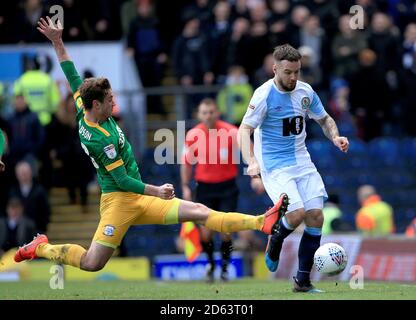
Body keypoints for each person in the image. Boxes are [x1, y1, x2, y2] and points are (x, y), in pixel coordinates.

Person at [14, 17, 289, 272]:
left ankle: (261, 222)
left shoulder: (82, 102)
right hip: (119, 202)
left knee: (201, 212)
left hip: (141, 198)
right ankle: (42, 247)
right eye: (110, 99)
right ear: (96, 105)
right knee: (91, 263)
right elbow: (121, 180)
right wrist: (157, 191)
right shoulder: (100, 138)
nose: (115, 102)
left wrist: (57, 42)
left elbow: (70, 70)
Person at [238, 44, 349, 293]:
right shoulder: (263, 95)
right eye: (288, 72)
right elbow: (244, 130)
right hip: (274, 165)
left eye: (297, 72)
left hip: (302, 161)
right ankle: (275, 238)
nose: (293, 77)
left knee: (316, 217)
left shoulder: (305, 91)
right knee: (296, 213)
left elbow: (324, 118)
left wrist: (335, 137)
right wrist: (251, 161)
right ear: (275, 68)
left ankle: (302, 281)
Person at [181, 98, 264, 282]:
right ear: (199, 115)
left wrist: (255, 176)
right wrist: (186, 187)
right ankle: (210, 264)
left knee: (226, 230)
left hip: (227, 187)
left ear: (217, 112)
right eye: (204, 112)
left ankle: (225, 268)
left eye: (211, 112)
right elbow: (186, 164)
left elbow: (248, 150)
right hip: (204, 188)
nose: (208, 115)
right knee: (206, 232)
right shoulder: (193, 135)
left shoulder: (230, 131)